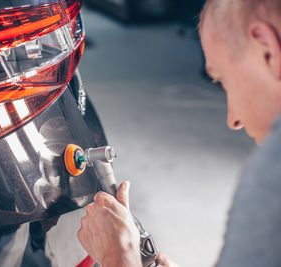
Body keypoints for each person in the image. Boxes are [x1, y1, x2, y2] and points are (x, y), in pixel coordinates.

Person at [77, 0, 281, 266]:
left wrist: (119, 255)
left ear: (268, 50)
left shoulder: (271, 176)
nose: (234, 120)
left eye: (224, 81)